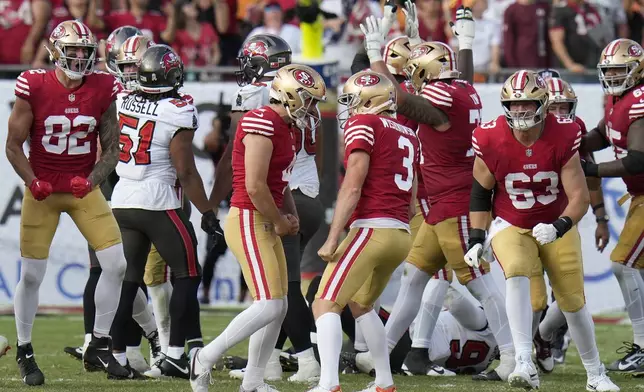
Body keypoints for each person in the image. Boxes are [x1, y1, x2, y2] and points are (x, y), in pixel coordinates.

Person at [360, 5, 516, 381]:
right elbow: (451, 75)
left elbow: (396, 96)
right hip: (440, 203)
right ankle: (383, 353)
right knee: (415, 277)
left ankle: (514, 356)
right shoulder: (460, 87)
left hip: (454, 202)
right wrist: (463, 42)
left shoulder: (442, 99)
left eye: (415, 71)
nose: (410, 78)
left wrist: (373, 55)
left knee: (478, 282)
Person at [465, 69, 618, 391]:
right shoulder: (489, 136)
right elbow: (480, 193)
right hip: (512, 223)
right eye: (513, 104)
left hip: (556, 221)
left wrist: (560, 225)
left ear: (543, 103)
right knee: (517, 272)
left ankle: (595, 373)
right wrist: (476, 239)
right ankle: (523, 360)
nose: (519, 111)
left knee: (573, 302)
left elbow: (578, 196)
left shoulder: (564, 133)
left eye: (527, 104)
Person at [6, 20, 130, 384]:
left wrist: (91, 179)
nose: (79, 58)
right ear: (56, 51)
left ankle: (100, 342)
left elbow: (112, 148)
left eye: (85, 51)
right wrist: (33, 180)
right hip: (43, 188)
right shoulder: (35, 85)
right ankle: (25, 349)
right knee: (31, 274)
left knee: (116, 264)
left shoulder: (104, 86)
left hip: (82, 188)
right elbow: (13, 145)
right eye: (72, 50)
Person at [190, 64, 327, 392]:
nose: (312, 108)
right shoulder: (261, 120)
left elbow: (280, 183)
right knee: (268, 304)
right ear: (289, 95)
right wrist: (280, 219)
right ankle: (203, 358)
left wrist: (289, 215)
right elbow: (253, 186)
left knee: (278, 306)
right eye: (307, 99)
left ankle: (252, 381)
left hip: (266, 216)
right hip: (250, 218)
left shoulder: (289, 127)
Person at [108, 44, 221, 379]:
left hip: (123, 198)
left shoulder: (124, 99)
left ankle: (115, 353)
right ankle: (173, 353)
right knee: (188, 274)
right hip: (157, 200)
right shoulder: (179, 108)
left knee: (129, 282)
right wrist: (208, 212)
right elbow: (185, 170)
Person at [308, 70, 419, 392]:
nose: (350, 108)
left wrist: (333, 237)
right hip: (400, 233)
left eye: (354, 100)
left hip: (372, 228)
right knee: (361, 304)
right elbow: (412, 202)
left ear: (371, 100)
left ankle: (328, 383)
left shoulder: (365, 124)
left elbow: (353, 186)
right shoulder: (409, 134)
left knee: (324, 302)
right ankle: (384, 381)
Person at [532, 75, 610, 373]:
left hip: (562, 218)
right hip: (524, 216)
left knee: (570, 292)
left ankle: (543, 337)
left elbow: (589, 174)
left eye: (565, 107)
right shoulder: (519, 128)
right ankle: (523, 351)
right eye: (554, 108)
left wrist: (601, 218)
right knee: (529, 287)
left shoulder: (574, 131)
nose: (561, 115)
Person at [581, 38, 644, 374]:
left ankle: (643, 346)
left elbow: (637, 161)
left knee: (623, 265)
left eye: (620, 69)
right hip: (638, 197)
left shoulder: (640, 102)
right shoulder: (619, 99)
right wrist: (568, 141)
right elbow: (602, 136)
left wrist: (590, 169)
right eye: (609, 70)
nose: (613, 76)